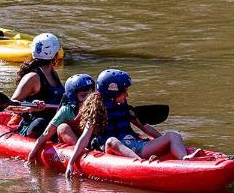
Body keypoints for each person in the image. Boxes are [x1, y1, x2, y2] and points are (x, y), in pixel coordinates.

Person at [65, 69, 202, 178]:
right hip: (114, 149)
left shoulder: (124, 108)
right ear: (111, 93)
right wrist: (71, 162)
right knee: (112, 141)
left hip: (137, 146)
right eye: (124, 92)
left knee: (173, 135)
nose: (127, 95)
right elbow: (84, 138)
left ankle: (184, 157)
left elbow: (145, 128)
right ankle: (142, 165)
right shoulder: (97, 111)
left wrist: (164, 142)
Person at [26, 74, 95, 164]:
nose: (87, 99)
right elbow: (47, 132)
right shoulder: (66, 110)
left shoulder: (95, 107)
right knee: (62, 127)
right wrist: (32, 153)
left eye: (91, 94)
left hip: (88, 139)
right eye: (83, 96)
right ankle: (83, 151)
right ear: (73, 96)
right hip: (72, 140)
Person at [9, 33, 64, 138]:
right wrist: (30, 108)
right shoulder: (33, 77)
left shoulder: (53, 72)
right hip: (35, 124)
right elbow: (10, 106)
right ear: (55, 55)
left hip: (53, 123)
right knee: (40, 123)